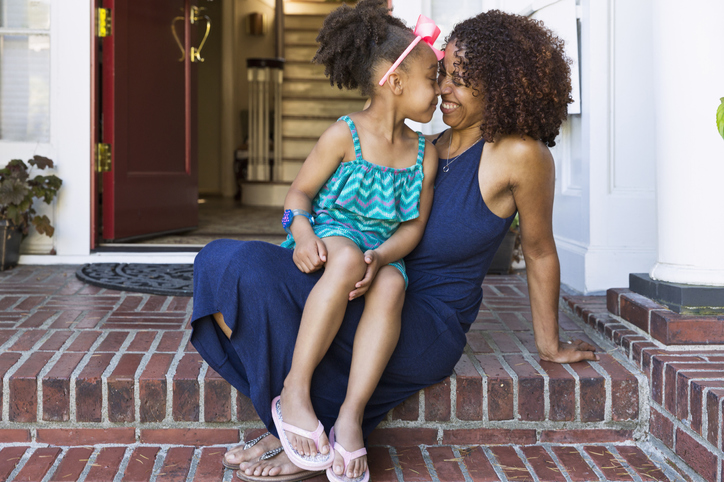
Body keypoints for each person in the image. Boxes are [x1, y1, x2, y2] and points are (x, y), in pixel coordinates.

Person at [190, 8, 598, 482]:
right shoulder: (426, 147)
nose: (444, 88)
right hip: (362, 286)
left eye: (462, 81)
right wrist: (309, 234)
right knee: (228, 263)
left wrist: (549, 344)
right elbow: (314, 201)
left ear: (503, 86)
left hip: (424, 321)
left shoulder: (519, 155)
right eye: (444, 74)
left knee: (304, 301)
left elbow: (540, 250)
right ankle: (298, 424)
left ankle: (304, 443)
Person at [268, 1, 442, 480]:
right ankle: (295, 390)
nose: (441, 90)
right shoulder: (344, 135)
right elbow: (297, 195)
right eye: (433, 77)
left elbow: (412, 228)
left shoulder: (423, 155)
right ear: (396, 79)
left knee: (392, 287)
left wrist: (382, 256)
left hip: (381, 249)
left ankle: (350, 416)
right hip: (333, 233)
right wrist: (300, 231)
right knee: (344, 257)